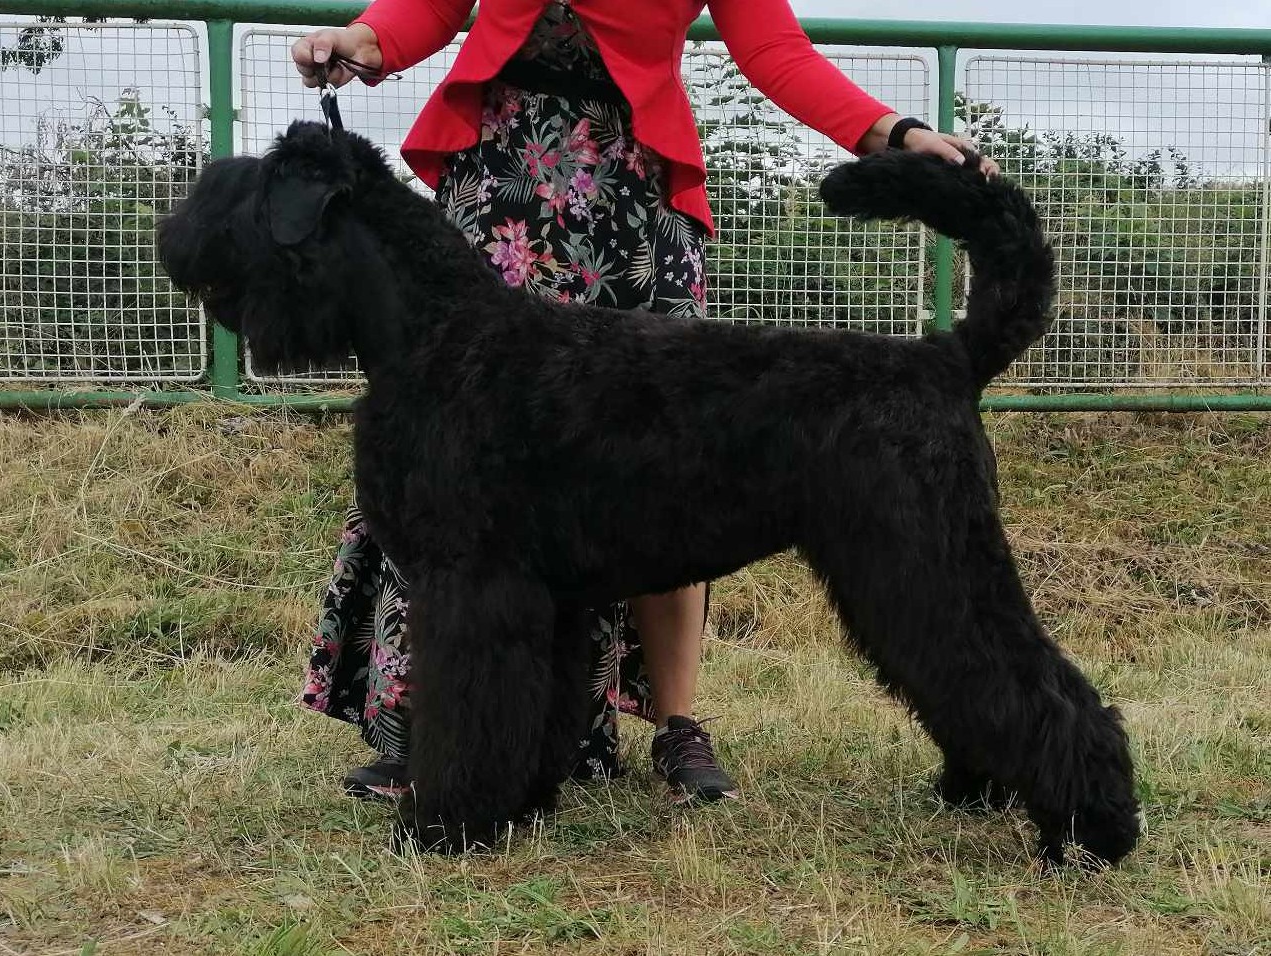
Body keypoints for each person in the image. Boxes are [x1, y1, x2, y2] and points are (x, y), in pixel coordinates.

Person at [292, 0, 996, 808]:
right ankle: (436, 735)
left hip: (631, 200)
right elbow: (430, 6)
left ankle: (676, 724)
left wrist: (893, 132)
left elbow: (776, 51)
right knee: (452, 480)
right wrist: (362, 40)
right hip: (497, 181)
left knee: (676, 468)